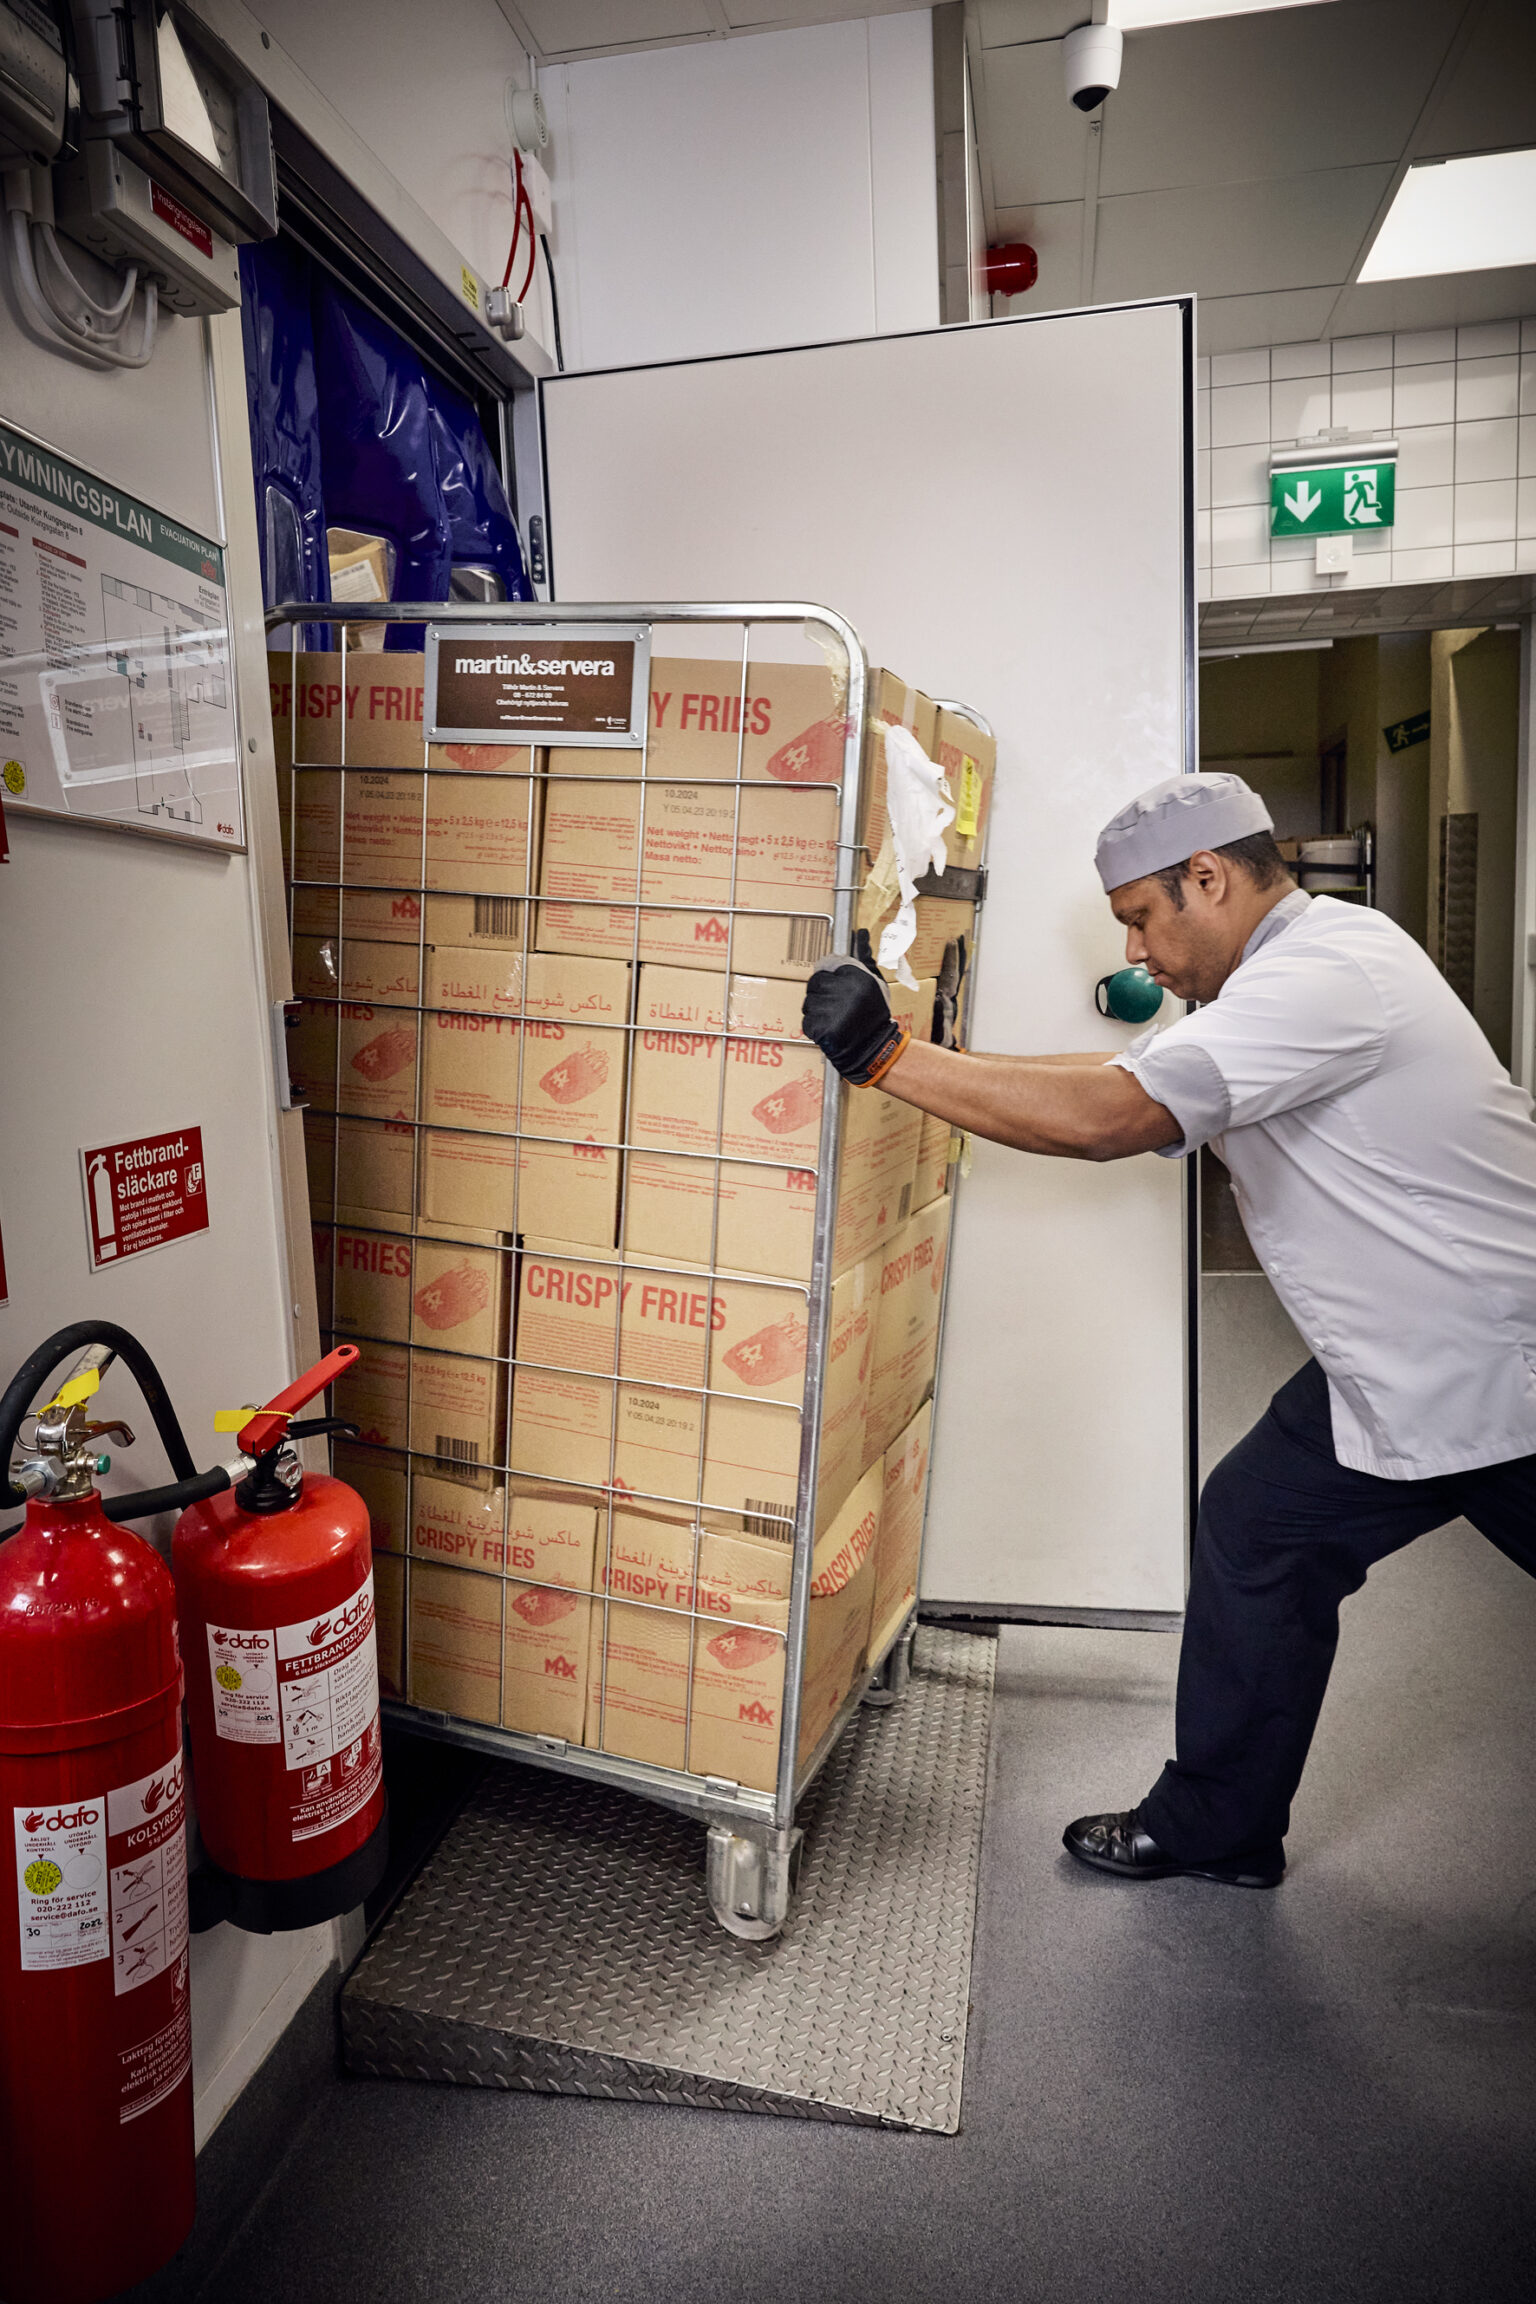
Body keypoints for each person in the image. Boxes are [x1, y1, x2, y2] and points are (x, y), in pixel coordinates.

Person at [801, 772, 1536, 1890]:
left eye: (1145, 917)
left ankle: (1219, 1820)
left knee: (1257, 1533)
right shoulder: (1298, 968)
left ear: (1210, 877)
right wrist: (916, 1057)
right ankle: (1219, 1825)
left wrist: (888, 1063)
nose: (1139, 952)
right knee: (1256, 1530)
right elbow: (1118, 1074)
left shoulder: (1326, 975)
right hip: (1401, 1366)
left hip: (1503, 1356)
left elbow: (1118, 1117)